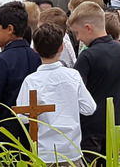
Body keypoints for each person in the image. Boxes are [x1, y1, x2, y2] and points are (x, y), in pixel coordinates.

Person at [16, 22, 96, 166]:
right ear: (61, 47)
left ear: (35, 49)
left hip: (43, 152)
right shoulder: (73, 76)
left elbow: (22, 116)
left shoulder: (31, 80)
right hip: (70, 150)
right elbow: (89, 108)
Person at [0, 2, 41, 155]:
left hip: (3, 135)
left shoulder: (0, 61)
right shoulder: (35, 57)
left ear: (10, 29)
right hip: (31, 133)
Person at [67, 1, 120, 166]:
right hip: (115, 125)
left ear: (88, 28)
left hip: (90, 128)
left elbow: (73, 89)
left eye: (77, 32)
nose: (77, 38)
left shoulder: (87, 56)